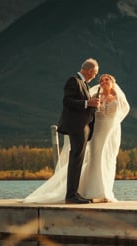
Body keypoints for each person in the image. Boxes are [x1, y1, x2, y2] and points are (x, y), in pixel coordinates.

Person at [23, 72, 130, 204]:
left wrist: (114, 124)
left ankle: (104, 191)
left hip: (110, 129)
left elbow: (124, 110)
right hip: (97, 129)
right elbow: (86, 109)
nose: (103, 82)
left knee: (108, 158)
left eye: (106, 79)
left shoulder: (118, 97)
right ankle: (93, 191)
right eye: (101, 80)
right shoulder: (95, 95)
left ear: (113, 82)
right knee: (95, 156)